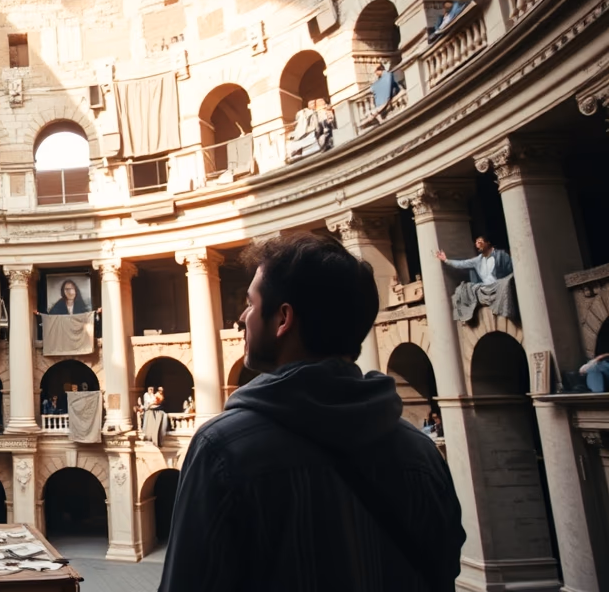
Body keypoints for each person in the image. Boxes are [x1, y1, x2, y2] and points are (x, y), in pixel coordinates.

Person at [159, 232, 464, 592]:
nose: (242, 318)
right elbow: (444, 571)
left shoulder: (222, 448)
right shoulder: (421, 453)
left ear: (283, 318)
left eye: (251, 304)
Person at [435, 236, 516, 322]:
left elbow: (512, 268)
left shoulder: (501, 255)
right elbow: (462, 264)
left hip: (498, 283)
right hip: (486, 287)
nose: (477, 245)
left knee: (504, 283)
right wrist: (446, 260)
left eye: (480, 242)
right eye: (476, 243)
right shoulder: (478, 260)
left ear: (487, 242)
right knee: (464, 289)